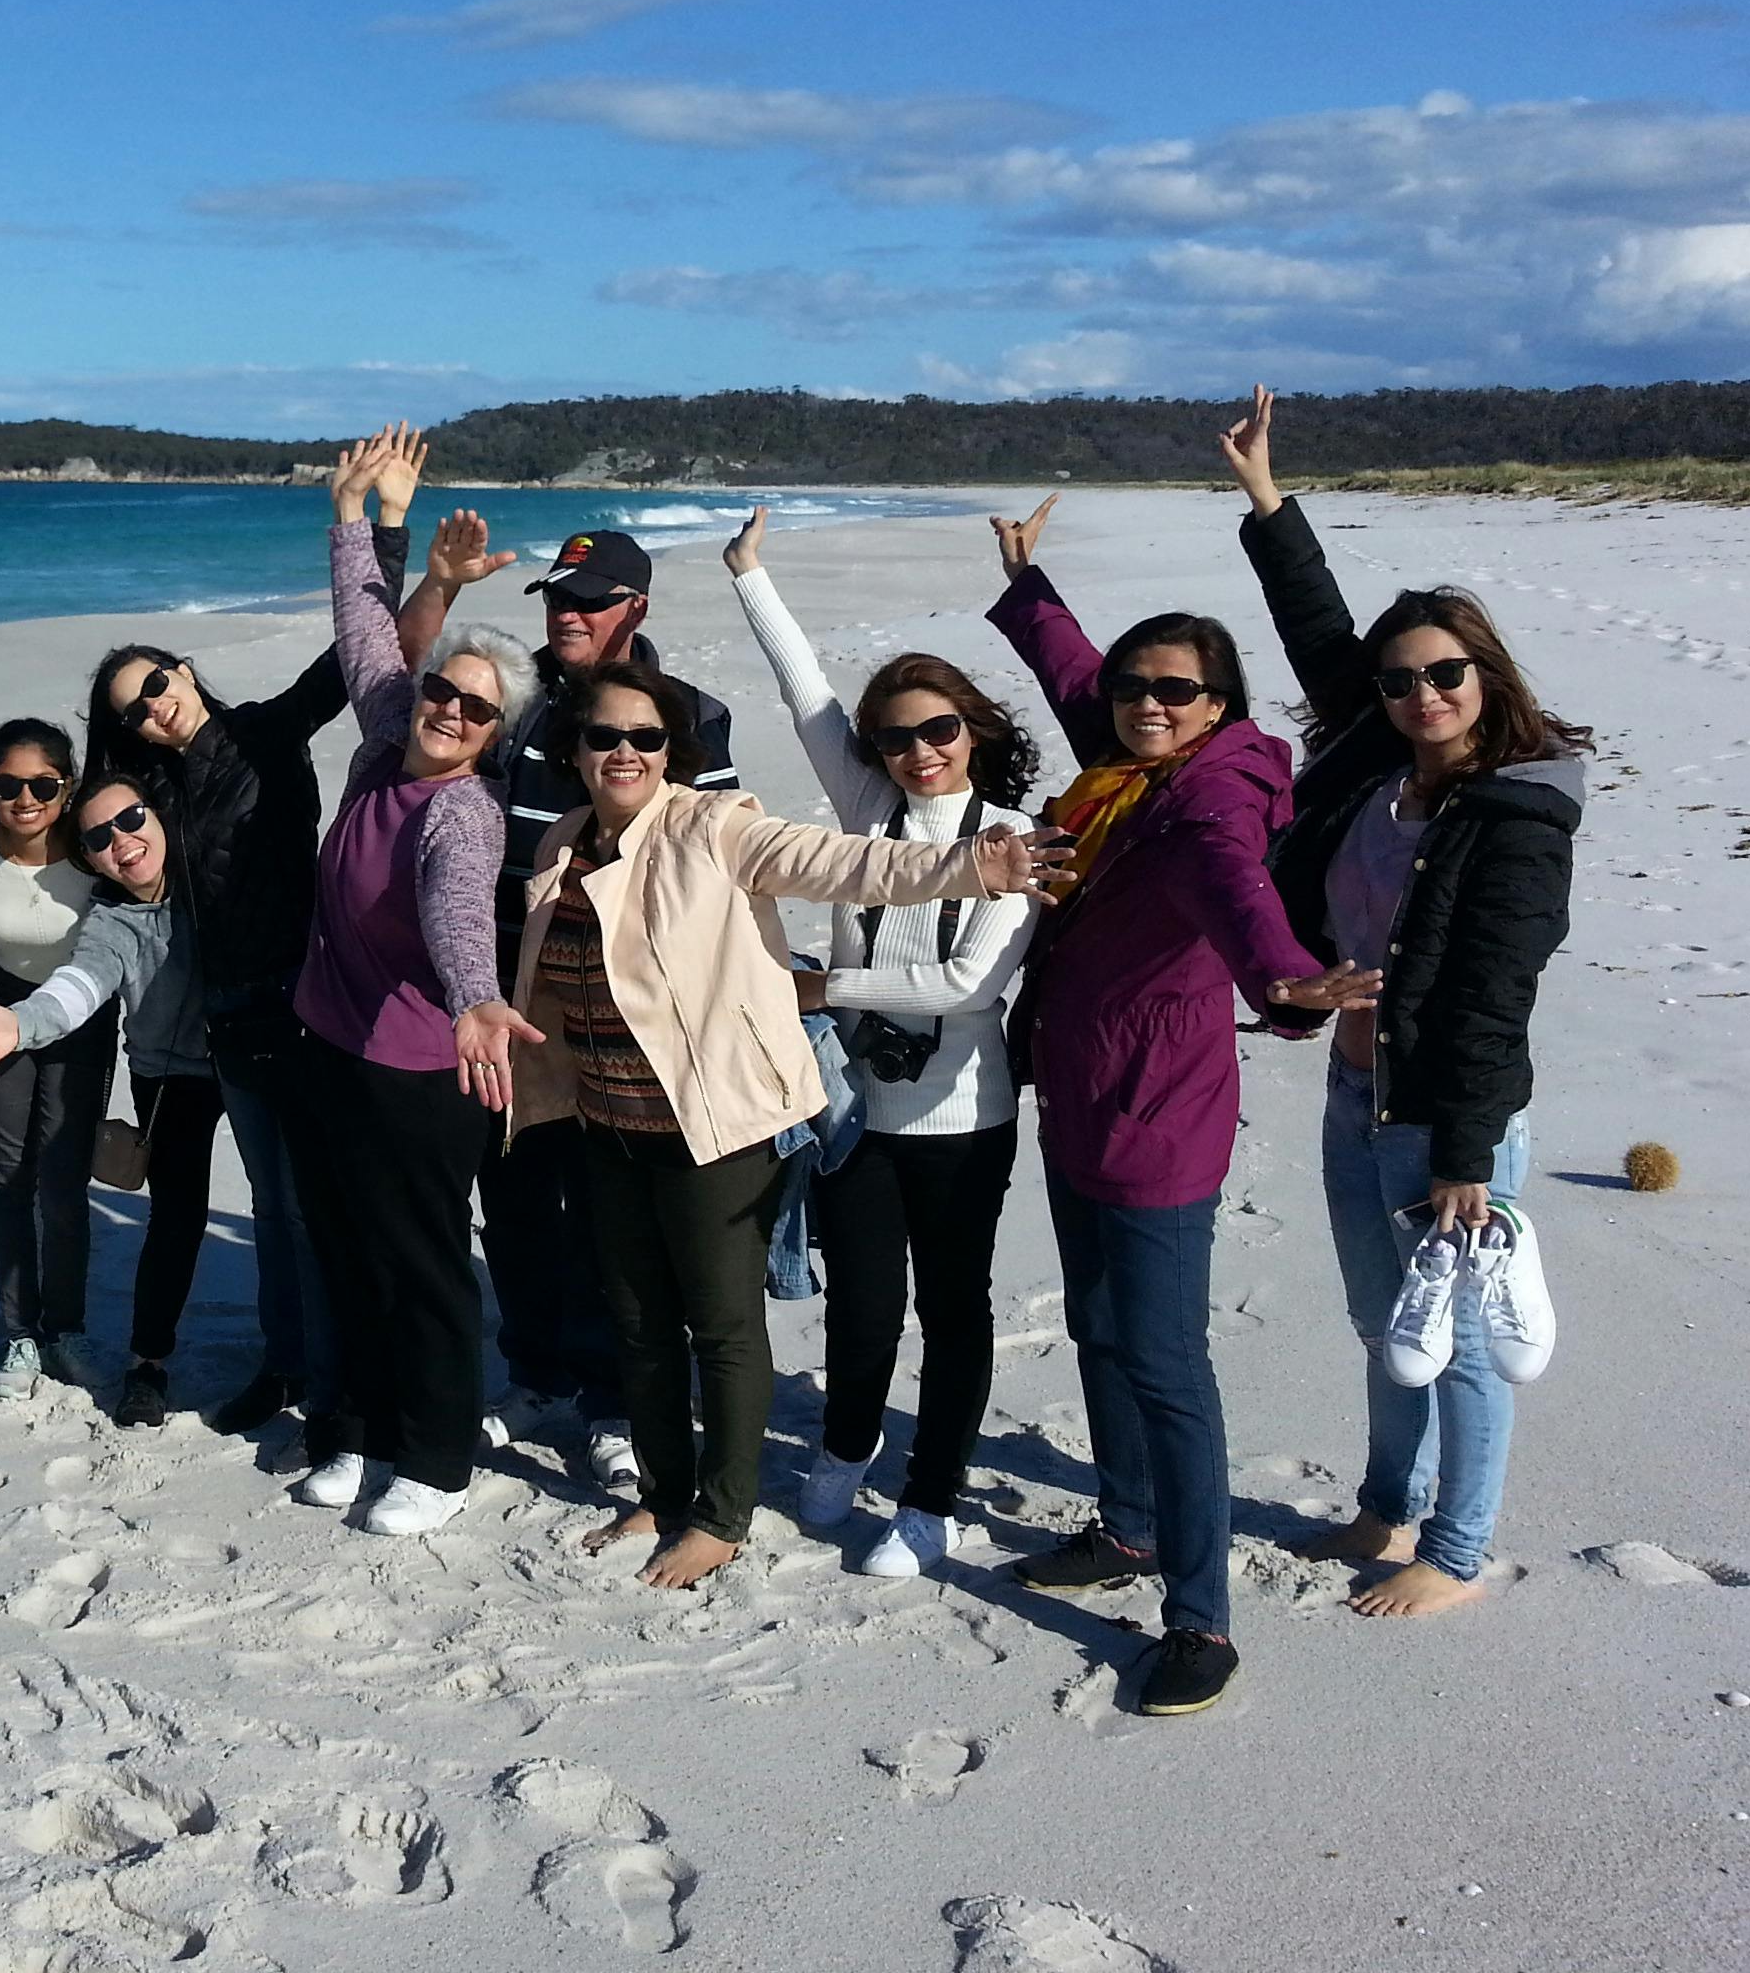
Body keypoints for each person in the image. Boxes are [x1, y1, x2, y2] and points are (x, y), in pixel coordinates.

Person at [509, 659, 1066, 1588]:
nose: (624, 752)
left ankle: (721, 1515)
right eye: (603, 735)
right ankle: (665, 1486)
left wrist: (969, 862)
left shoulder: (713, 827)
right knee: (639, 1324)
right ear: (572, 749)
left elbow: (839, 861)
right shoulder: (563, 842)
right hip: (606, 1120)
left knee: (721, 1326)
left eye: (646, 738)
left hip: (712, 1123)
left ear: (671, 753)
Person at [984, 497, 1376, 1714]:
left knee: (1164, 1358)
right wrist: (1031, 588)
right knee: (1098, 1326)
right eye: (1137, 686)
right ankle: (1129, 1525)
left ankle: (1200, 1617)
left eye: (1178, 690)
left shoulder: (1216, 798)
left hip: (1161, 1101)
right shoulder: (1122, 772)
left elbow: (1236, 895)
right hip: (1083, 1088)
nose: (1148, 702)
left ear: (1222, 706)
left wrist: (1284, 982)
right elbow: (1082, 682)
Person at [1219, 387, 1584, 1619]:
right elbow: (1325, 636)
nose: (1421, 694)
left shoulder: (1519, 814)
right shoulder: (1385, 763)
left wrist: (1470, 1149)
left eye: (1446, 674)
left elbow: (1496, 991)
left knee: (1463, 1345)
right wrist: (1268, 498)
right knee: (1386, 1326)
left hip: (1445, 1113)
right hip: (1351, 1091)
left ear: (1485, 676)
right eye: (1400, 681)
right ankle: (1388, 1504)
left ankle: (1459, 1552)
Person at [393, 512, 740, 1498]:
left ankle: (617, 1403)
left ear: (636, 607)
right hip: (509, 1000)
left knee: (611, 1220)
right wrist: (439, 583)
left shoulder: (690, 717)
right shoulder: (527, 705)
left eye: (590, 602)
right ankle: (540, 1373)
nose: (569, 616)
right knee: (514, 1202)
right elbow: (413, 685)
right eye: (558, 599)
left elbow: (723, 861)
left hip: (626, 1012)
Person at [724, 506, 1043, 1579]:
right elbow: (805, 693)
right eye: (898, 737)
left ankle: (932, 1500)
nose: (918, 753)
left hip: (965, 1118)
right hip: (859, 1105)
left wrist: (819, 981)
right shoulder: (867, 810)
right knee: (864, 1302)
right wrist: (747, 575)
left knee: (954, 1312)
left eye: (939, 731)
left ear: (976, 730)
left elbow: (965, 987)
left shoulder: (1014, 842)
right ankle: (845, 1449)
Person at [85, 467, 415, 1447]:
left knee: (327, 1202)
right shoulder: (149, 799)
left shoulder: (269, 732)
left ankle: (350, 1366)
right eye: (133, 707)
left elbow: (357, 656)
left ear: (184, 671)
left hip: (311, 999)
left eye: (157, 682)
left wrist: (372, 520)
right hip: (231, 1022)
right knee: (274, 1205)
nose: (153, 705)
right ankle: (286, 1364)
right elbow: (88, 845)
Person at [278, 432, 546, 1536]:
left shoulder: (464, 811)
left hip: (418, 1070)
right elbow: (360, 629)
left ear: (496, 736)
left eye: (477, 710)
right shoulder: (387, 738)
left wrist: (475, 994)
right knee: (342, 1254)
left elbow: (454, 908)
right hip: (328, 1045)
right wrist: (355, 514)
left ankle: (435, 1461)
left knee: (421, 1267)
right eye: (447, 690)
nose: (451, 711)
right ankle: (351, 1429)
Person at [0, 772, 224, 1431]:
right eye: (98, 837)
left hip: (255, 1060)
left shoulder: (217, 875)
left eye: (130, 820)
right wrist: (22, 1023)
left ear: (159, 814)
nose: (121, 842)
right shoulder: (113, 921)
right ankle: (148, 1363)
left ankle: (297, 1368)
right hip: (170, 1080)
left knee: (289, 1214)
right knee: (176, 1218)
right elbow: (80, 983)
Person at [0, 716, 111, 1403]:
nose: (24, 800)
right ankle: (21, 1336)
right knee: (9, 1172)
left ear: (67, 785)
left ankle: (67, 1331)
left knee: (64, 1175)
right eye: (7, 786)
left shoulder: (91, 841)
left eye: (42, 785)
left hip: (78, 1007)